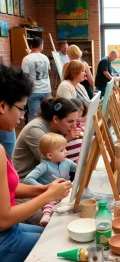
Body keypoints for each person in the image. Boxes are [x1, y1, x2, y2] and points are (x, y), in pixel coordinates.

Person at [0, 65, 72, 261]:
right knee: (62, 244)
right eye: (21, 109)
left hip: (9, 230)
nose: (22, 116)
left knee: (59, 234)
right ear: (2, 106)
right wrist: (47, 195)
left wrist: (43, 189)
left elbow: (8, 189)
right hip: (4, 236)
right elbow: (3, 219)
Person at [12, 97, 78, 225]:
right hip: (26, 189)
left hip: (42, 185)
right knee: (56, 224)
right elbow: (54, 163)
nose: (74, 125)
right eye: (70, 121)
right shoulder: (35, 130)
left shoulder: (56, 128)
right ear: (55, 119)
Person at [24, 133, 77, 226]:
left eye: (65, 148)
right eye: (62, 150)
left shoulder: (67, 162)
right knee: (49, 203)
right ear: (49, 155)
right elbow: (28, 179)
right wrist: (45, 188)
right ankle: (46, 217)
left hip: (64, 193)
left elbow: (78, 169)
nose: (66, 152)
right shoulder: (44, 166)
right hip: (52, 195)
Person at [21, 37, 52, 121]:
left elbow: (25, 77)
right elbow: (48, 72)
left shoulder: (26, 59)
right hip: (47, 90)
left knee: (35, 117)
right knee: (48, 115)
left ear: (31, 46)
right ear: (41, 45)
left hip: (34, 91)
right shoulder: (45, 58)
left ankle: (35, 133)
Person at [66, 98, 87, 163]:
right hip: (72, 162)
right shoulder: (68, 127)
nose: (78, 119)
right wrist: (67, 138)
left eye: (80, 116)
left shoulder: (80, 125)